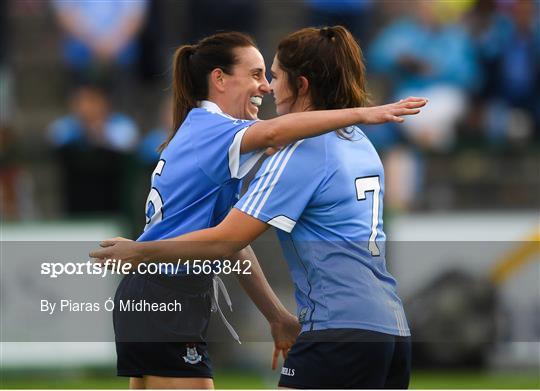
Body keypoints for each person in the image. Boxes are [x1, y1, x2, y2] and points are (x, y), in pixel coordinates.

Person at [92, 26, 426, 388]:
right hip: (387, 327)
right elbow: (232, 231)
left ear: (301, 84)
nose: (267, 86)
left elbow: (231, 240)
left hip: (331, 325)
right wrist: (360, 114)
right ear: (219, 80)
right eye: (257, 75)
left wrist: (277, 316)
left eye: (273, 75)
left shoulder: (277, 145)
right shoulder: (355, 141)